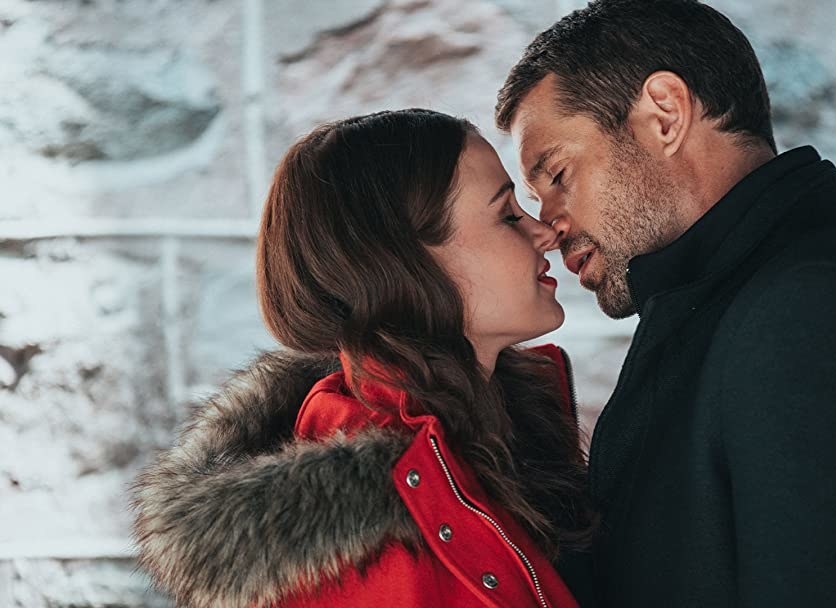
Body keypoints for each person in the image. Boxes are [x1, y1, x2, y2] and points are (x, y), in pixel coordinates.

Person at [495, 0, 836, 606]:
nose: (548, 225)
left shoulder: (817, 313)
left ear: (664, 115)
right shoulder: (729, 303)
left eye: (558, 174)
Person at [130, 109, 592, 608]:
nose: (544, 232)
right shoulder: (367, 537)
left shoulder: (492, 436)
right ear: (401, 262)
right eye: (506, 215)